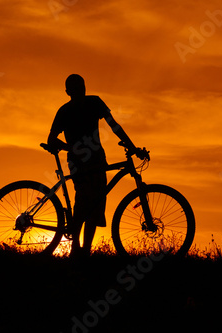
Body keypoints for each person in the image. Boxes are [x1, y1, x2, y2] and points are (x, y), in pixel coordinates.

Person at [47, 74, 144, 257]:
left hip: (96, 158)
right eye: (74, 88)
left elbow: (114, 125)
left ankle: (85, 250)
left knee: (96, 202)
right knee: (85, 201)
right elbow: (51, 139)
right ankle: (76, 249)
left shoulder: (93, 103)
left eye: (81, 87)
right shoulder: (65, 111)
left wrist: (132, 147)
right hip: (79, 161)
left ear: (85, 87)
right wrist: (71, 148)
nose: (78, 91)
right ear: (68, 92)